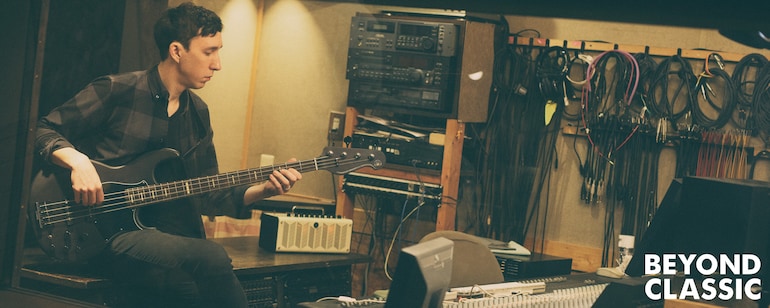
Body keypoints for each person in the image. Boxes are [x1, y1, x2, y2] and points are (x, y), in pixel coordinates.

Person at [34, 2, 301, 307]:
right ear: (177, 51)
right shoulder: (117, 90)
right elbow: (42, 130)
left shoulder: (198, 114)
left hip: (162, 242)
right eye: (209, 51)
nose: (218, 64)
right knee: (212, 256)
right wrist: (77, 161)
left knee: (197, 291)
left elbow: (208, 192)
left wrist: (265, 189)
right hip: (100, 233)